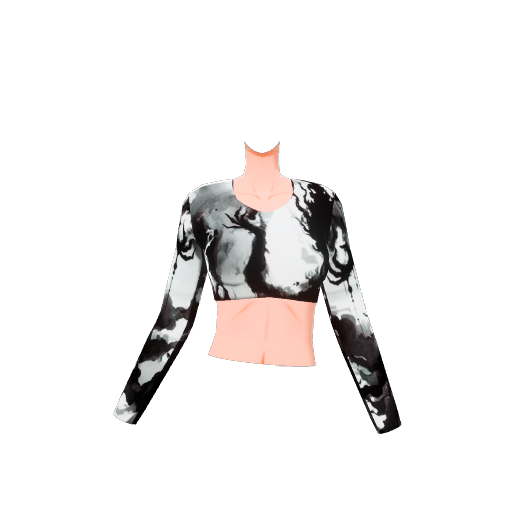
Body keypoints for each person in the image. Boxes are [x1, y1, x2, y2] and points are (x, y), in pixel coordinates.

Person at [113, 139, 402, 436]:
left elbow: (350, 312)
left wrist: (387, 418)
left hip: (306, 390)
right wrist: (125, 409)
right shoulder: (202, 201)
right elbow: (174, 313)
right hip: (217, 383)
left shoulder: (322, 201)